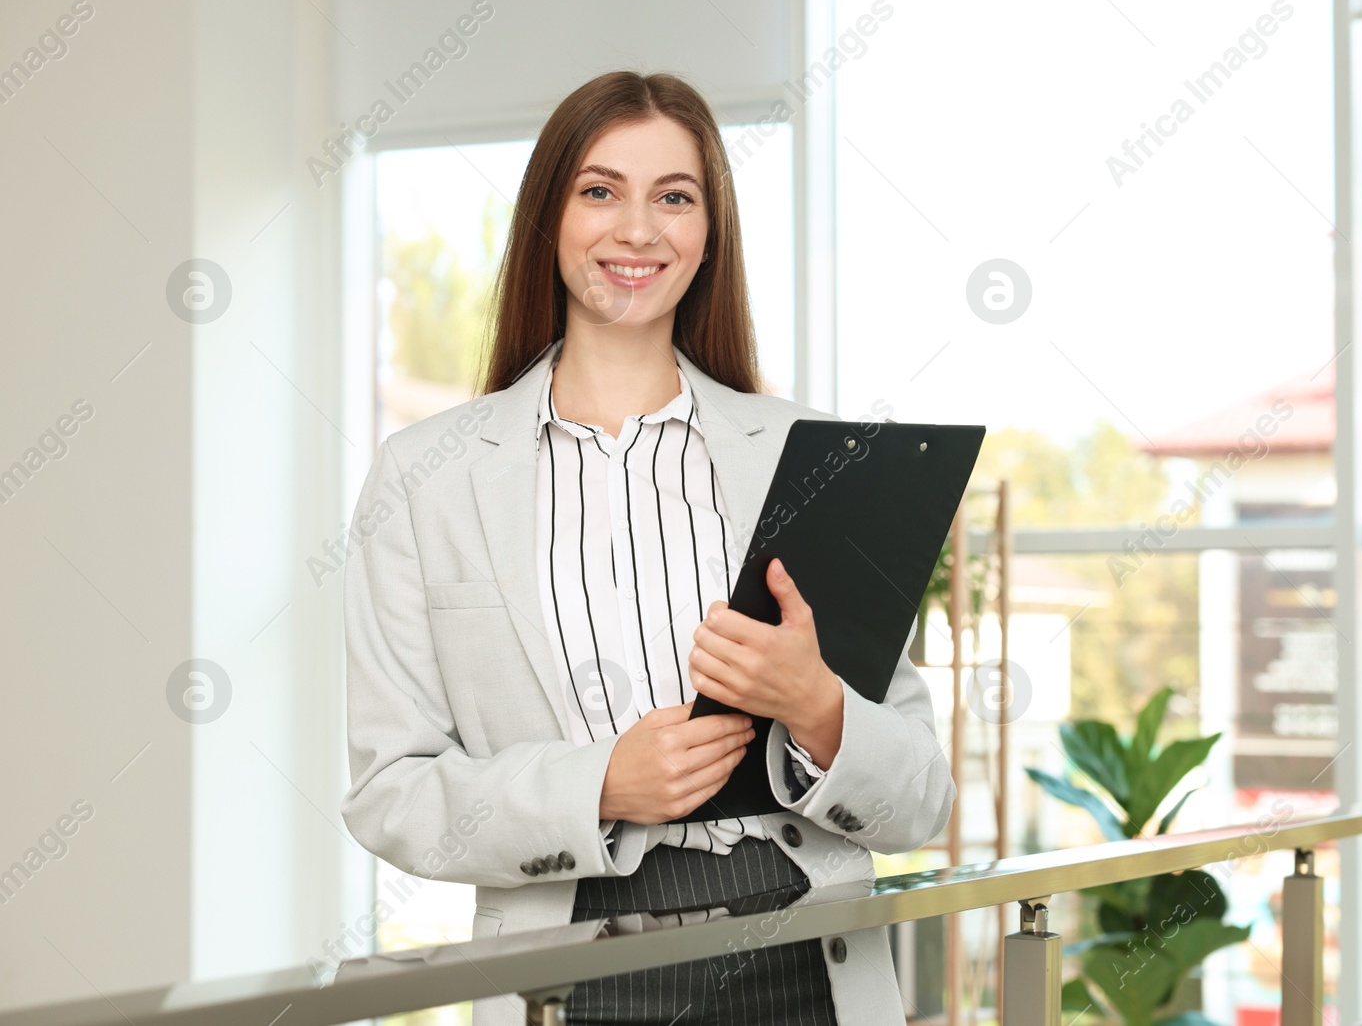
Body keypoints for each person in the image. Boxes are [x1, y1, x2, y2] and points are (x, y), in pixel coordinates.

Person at [339, 70, 955, 1026]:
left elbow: (921, 799)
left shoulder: (811, 457)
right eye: (600, 191)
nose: (638, 229)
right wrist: (600, 785)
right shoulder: (427, 477)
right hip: (576, 976)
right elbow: (392, 793)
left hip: (802, 960)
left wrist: (818, 707)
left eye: (675, 196)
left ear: (709, 232)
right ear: (550, 216)